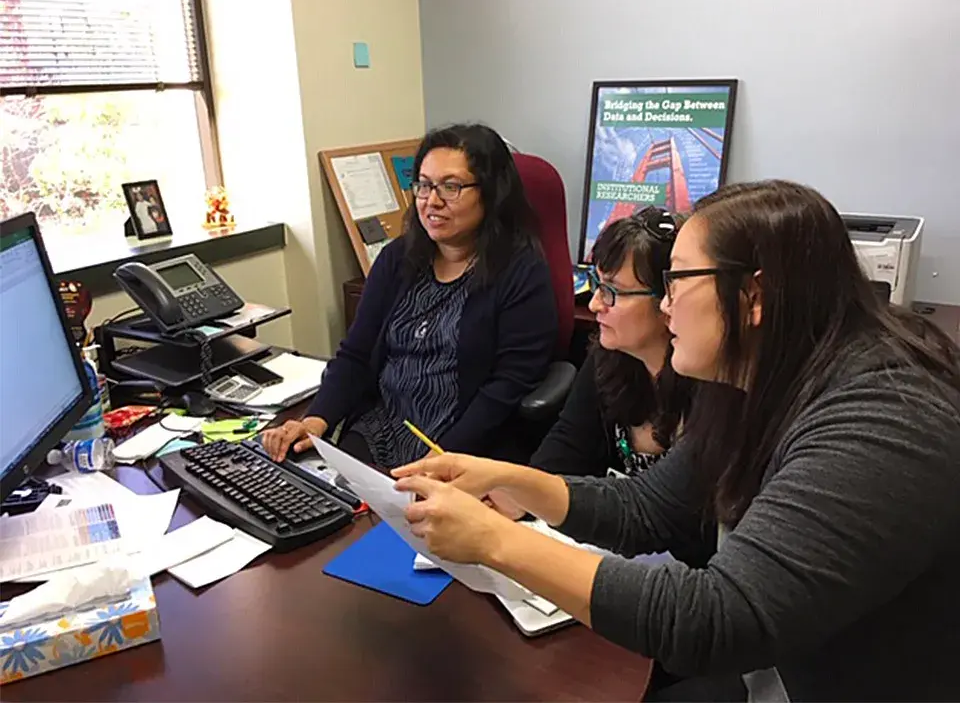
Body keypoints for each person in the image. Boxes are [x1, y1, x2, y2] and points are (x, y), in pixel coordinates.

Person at [392, 180, 960, 701]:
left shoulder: (884, 417)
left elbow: (722, 619)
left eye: (677, 281)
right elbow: (647, 508)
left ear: (753, 297)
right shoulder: (753, 375)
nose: (665, 305)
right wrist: (506, 478)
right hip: (777, 673)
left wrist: (495, 542)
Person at [263, 124, 557, 469]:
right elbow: (356, 355)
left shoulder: (521, 272)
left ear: (491, 193)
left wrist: (442, 458)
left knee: (397, 519)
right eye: (424, 185)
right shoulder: (398, 259)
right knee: (315, 497)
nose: (432, 201)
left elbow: (506, 387)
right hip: (380, 429)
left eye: (451, 187)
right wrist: (315, 421)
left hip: (462, 444)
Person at [530, 207, 693, 479]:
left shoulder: (709, 382)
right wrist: (516, 490)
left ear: (667, 300)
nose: (595, 303)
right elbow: (565, 448)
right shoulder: (608, 355)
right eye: (597, 284)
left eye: (612, 291)